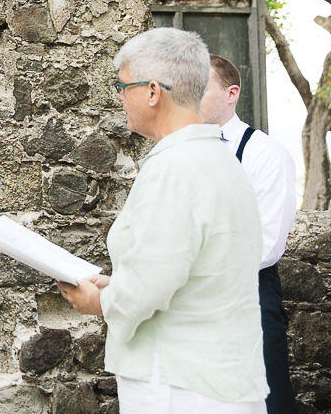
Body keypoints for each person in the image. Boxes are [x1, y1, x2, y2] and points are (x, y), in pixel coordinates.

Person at [59, 27, 267, 413]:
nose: (120, 98)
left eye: (123, 87)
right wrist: (120, 282)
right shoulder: (220, 159)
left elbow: (152, 285)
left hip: (178, 380)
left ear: (152, 92)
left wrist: (101, 301)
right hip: (222, 370)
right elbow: (189, 266)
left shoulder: (174, 167)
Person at [201, 55, 298, 414]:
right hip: (189, 301)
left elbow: (267, 244)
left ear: (232, 93)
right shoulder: (175, 152)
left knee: (262, 400)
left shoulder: (265, 154)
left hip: (248, 296)